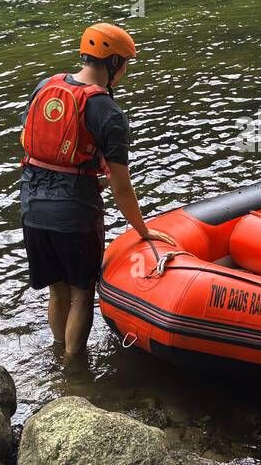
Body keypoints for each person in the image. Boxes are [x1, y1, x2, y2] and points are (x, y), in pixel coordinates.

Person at [20, 23, 175, 363]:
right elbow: (121, 186)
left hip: (31, 206)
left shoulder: (46, 86)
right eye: (126, 64)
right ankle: (74, 371)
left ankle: (58, 356)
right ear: (114, 62)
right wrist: (143, 230)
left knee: (57, 290)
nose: (126, 72)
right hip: (74, 214)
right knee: (81, 293)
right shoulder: (108, 113)